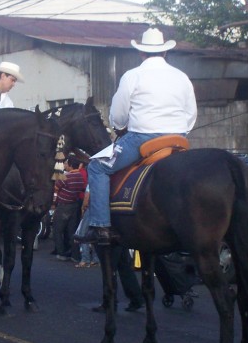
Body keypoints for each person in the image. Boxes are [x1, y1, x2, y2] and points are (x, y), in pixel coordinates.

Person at [81, 27, 196, 247]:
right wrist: (179, 131)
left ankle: (101, 226)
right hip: (178, 138)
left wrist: (120, 126)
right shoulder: (181, 77)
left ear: (141, 53)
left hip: (143, 138)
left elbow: (119, 115)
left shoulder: (133, 75)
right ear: (165, 53)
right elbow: (191, 115)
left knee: (97, 166)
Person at [52, 155, 87, 263]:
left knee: (57, 230)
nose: (65, 165)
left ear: (71, 165)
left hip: (63, 206)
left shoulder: (66, 176)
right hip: (75, 205)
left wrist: (53, 203)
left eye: (66, 163)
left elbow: (56, 188)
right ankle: (75, 255)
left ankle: (61, 253)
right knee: (72, 231)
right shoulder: (80, 176)